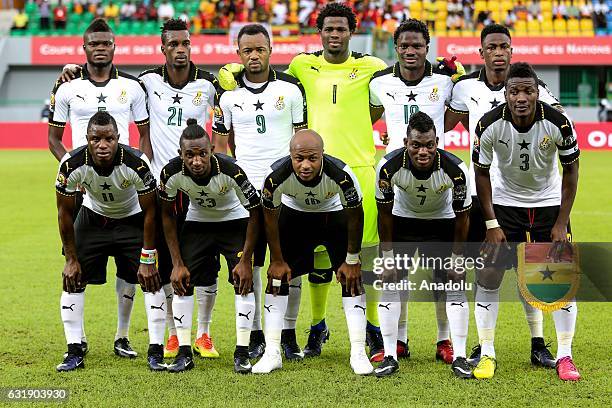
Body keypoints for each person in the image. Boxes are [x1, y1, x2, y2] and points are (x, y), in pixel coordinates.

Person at [58, 18, 219, 360]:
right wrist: (69, 72)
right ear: (163, 48)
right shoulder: (146, 81)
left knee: (197, 261)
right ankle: (172, 336)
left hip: (179, 185)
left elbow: (223, 121)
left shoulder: (208, 84)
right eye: (173, 44)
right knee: (157, 267)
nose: (180, 49)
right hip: (130, 189)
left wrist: (210, 156)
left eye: (185, 43)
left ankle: (202, 333)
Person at [445, 23, 564, 369]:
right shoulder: (464, 86)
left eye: (504, 47)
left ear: (512, 51)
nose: (498, 53)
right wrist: (440, 80)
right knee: (485, 272)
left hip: (529, 197)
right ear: (481, 52)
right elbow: (444, 123)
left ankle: (538, 343)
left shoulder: (532, 87)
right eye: (491, 47)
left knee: (532, 271)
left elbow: (557, 121)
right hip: (484, 196)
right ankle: (479, 345)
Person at [472, 62, 580, 381]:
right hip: (505, 206)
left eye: (528, 90)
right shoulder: (488, 124)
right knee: (489, 274)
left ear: (538, 93)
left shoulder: (558, 124)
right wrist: (491, 223)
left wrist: (561, 222)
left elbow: (572, 170)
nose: (521, 97)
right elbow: (480, 173)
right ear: (505, 94)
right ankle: (487, 352)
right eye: (514, 91)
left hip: (547, 207)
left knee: (558, 280)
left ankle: (564, 356)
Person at [49, 18, 150, 359]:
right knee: (73, 265)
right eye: (94, 43)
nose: (100, 47)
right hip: (83, 190)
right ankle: (75, 345)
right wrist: (72, 171)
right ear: (85, 48)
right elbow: (53, 138)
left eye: (106, 42)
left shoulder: (133, 88)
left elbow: (144, 136)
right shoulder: (65, 88)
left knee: (131, 269)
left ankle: (122, 336)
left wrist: (139, 173)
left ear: (114, 46)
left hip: (125, 183)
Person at [212, 23, 308, 361]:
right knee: (248, 265)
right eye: (247, 50)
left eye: (260, 49)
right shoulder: (229, 97)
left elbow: (302, 141)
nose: (254, 55)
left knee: (289, 266)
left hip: (286, 193)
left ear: (270, 50)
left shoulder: (291, 91)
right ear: (239, 55)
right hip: (245, 195)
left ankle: (286, 334)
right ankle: (253, 334)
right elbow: (221, 146)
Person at [369, 18, 456, 364]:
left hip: (438, 189)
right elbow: (370, 111)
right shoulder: (380, 82)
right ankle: (400, 340)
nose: (410, 51)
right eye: (404, 45)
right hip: (399, 190)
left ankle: (444, 340)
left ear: (426, 48)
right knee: (398, 275)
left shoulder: (445, 81)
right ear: (396, 48)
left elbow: (453, 118)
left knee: (442, 276)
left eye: (417, 45)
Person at [55, 112, 166, 372]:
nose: (102, 145)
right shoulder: (71, 164)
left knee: (149, 279)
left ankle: (153, 349)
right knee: (73, 278)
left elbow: (152, 211)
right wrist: (71, 259)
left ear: (118, 138)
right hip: (93, 218)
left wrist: (148, 257)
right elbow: (64, 213)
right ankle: (74, 349)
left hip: (133, 219)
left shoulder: (137, 163)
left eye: (109, 139)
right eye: (96, 139)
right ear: (87, 139)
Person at [257, 130, 372, 375]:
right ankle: (272, 352)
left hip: (333, 218)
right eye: (299, 159)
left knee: (352, 280)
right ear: (290, 156)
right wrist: (276, 259)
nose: (305, 165)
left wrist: (352, 259)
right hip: (294, 219)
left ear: (322, 155)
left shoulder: (341, 174)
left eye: (312, 158)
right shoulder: (275, 176)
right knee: (277, 280)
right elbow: (268, 217)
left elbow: (355, 215)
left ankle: (359, 352)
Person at [159, 119, 261, 373]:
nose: (197, 161)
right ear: (180, 154)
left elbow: (255, 211)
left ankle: (242, 352)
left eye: (202, 154)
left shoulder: (232, 171)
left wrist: (246, 260)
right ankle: (183, 353)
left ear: (212, 151)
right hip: (198, 222)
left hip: (234, 221)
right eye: (190, 155)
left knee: (243, 282)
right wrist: (177, 263)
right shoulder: (170, 173)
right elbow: (167, 215)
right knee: (182, 282)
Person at [374, 111, 471, 377]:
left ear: (437, 141)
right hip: (402, 223)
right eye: (416, 144)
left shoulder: (456, 170)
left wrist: (458, 257)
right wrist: (388, 255)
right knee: (392, 282)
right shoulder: (387, 167)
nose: (423, 151)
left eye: (429, 145)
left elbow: (463, 218)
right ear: (406, 142)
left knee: (450, 284)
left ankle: (453, 350)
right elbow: (383, 215)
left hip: (443, 223)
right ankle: (393, 352)